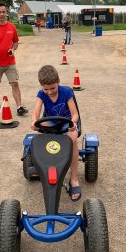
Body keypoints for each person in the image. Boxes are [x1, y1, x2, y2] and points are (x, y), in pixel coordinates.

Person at [31, 65, 81, 201]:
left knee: (72, 139)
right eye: (45, 89)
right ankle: (42, 167)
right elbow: (36, 112)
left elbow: (75, 114)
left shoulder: (66, 92)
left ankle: (74, 179)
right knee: (38, 136)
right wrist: (34, 121)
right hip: (51, 122)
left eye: (52, 88)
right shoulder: (41, 94)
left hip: (66, 123)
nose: (49, 92)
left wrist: (73, 124)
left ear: (58, 81)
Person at [0, 3, 28, 115]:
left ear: (6, 13)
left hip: (10, 62)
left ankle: (19, 107)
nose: (1, 14)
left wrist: (13, 49)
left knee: (15, 84)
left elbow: (16, 42)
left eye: (3, 12)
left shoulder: (11, 27)